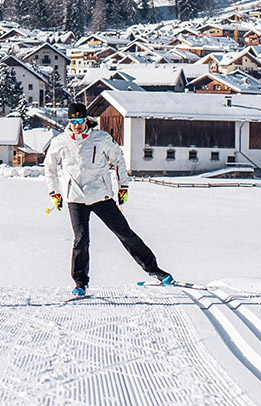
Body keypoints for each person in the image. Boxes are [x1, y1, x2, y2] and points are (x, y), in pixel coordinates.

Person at [44, 100, 173, 297]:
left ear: (86, 119)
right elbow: (50, 168)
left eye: (80, 120)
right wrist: (54, 193)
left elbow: (119, 160)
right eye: (73, 121)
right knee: (81, 240)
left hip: (100, 195)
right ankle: (80, 282)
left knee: (125, 234)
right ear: (69, 121)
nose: (77, 125)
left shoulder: (101, 138)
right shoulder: (59, 142)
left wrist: (123, 186)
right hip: (75, 198)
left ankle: (155, 270)